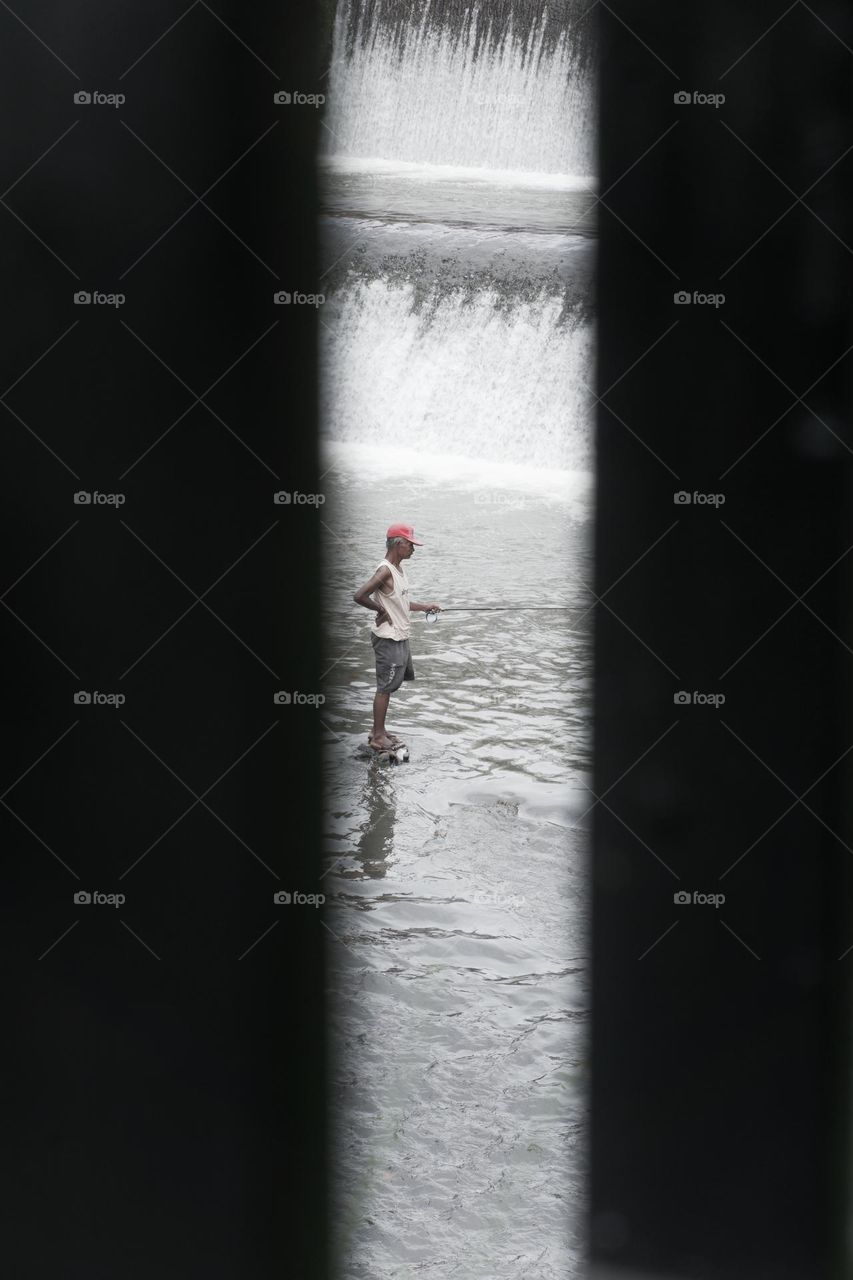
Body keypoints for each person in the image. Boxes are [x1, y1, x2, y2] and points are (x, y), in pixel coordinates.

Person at [353, 523, 442, 750]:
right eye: (410, 544)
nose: (413, 549)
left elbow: (401, 603)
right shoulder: (384, 570)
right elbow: (359, 595)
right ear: (398, 544)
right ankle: (377, 737)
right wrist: (380, 610)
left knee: (391, 685)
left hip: (400, 635)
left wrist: (425, 607)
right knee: (384, 687)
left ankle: (378, 729)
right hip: (388, 637)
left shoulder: (399, 570)